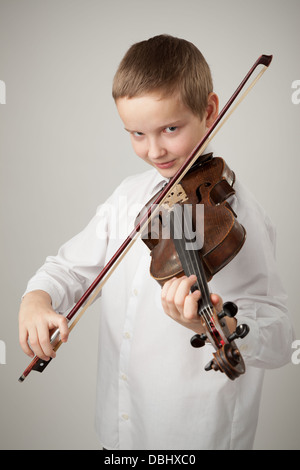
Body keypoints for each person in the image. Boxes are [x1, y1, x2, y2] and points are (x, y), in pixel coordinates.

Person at [18, 34, 294, 450]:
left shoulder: (238, 216)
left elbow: (279, 337)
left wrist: (222, 325)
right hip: (120, 427)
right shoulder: (130, 196)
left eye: (170, 128)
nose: (155, 150)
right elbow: (68, 268)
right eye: (136, 134)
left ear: (210, 111)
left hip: (198, 436)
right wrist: (36, 300)